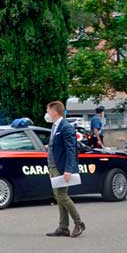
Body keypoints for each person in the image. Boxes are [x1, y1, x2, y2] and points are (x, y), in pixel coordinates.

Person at [44, 100, 85, 238]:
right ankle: (63, 227)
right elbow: (58, 145)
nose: (47, 114)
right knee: (58, 196)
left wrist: (68, 169)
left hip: (61, 167)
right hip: (53, 166)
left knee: (61, 195)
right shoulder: (55, 126)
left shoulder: (66, 127)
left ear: (54, 112)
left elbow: (71, 149)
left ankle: (79, 223)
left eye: (48, 111)